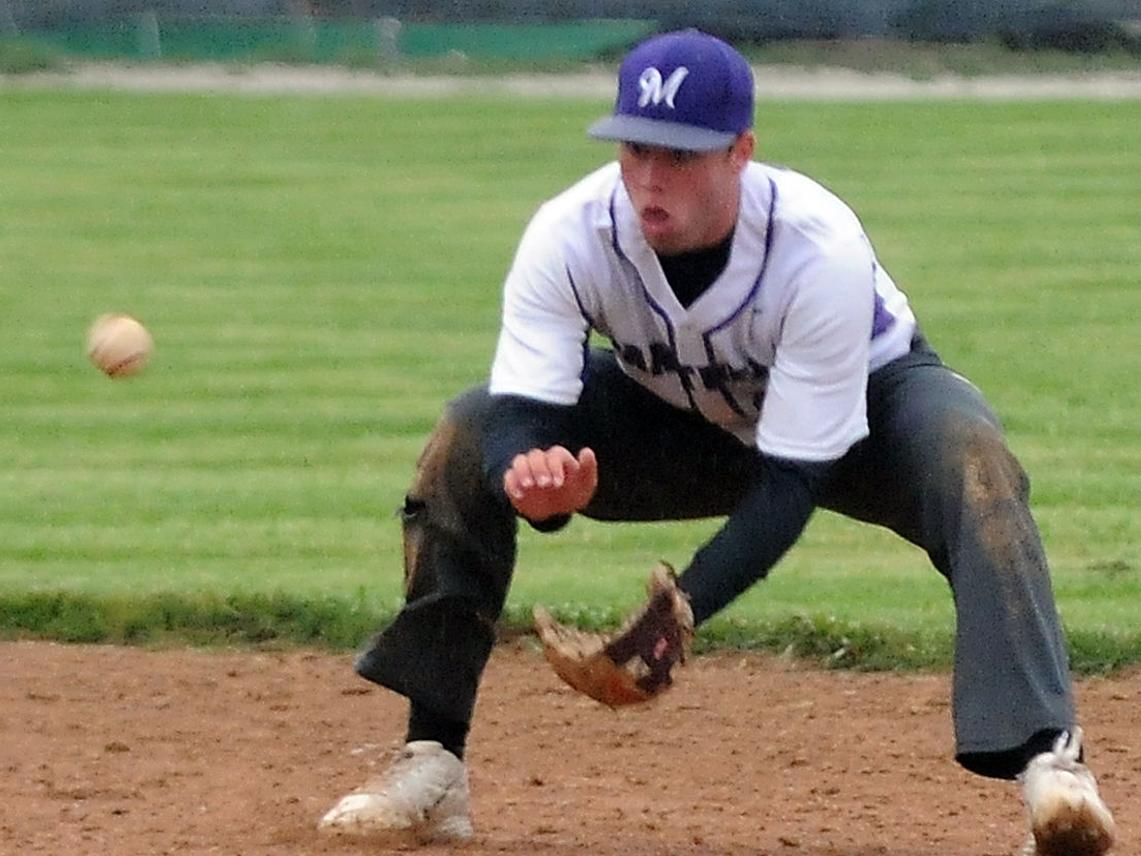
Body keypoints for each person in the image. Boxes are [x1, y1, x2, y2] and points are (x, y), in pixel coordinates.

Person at [318, 29, 1116, 855]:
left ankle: (1048, 765)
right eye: (635, 149)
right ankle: (433, 760)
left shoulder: (816, 248)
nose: (650, 179)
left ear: (740, 153)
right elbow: (523, 408)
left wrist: (682, 610)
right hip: (675, 418)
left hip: (861, 411)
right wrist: (529, 475)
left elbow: (794, 478)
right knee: (466, 431)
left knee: (969, 458)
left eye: (681, 155)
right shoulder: (571, 232)